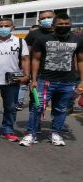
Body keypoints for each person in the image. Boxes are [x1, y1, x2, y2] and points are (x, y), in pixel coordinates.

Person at [22, 13, 83, 147]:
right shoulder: (42, 39)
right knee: (37, 108)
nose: (64, 26)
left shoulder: (78, 39)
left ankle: (55, 133)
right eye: (60, 24)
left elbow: (80, 60)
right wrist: (33, 79)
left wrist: (82, 81)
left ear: (71, 24)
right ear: (54, 25)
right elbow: (36, 60)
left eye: (66, 24)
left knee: (61, 109)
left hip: (68, 82)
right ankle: (31, 134)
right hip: (45, 81)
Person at [17, 11, 55, 111]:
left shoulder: (62, 32)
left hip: (60, 75)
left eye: (49, 17)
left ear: (55, 17)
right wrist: (27, 73)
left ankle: (56, 124)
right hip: (38, 74)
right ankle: (34, 124)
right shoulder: (33, 34)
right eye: (43, 18)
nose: (46, 20)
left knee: (58, 103)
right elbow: (26, 55)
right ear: (39, 21)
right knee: (36, 101)